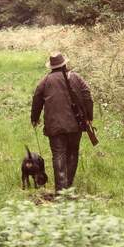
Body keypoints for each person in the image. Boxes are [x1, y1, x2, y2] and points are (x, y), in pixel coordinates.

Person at [31, 52, 93, 194]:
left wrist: (34, 118)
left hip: (54, 126)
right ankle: (68, 186)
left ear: (51, 66)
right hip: (76, 124)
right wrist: (89, 117)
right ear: (64, 64)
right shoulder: (76, 77)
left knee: (58, 154)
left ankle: (61, 190)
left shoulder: (45, 81)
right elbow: (87, 96)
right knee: (73, 152)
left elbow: (36, 99)